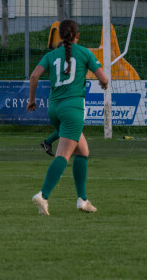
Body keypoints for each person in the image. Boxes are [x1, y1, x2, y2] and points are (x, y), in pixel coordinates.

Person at [27, 19, 109, 215]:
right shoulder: (85, 53)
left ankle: (82, 200)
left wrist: (32, 100)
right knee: (63, 154)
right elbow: (104, 78)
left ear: (60, 36)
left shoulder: (51, 55)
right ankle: (43, 195)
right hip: (73, 109)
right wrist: (104, 84)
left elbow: (33, 76)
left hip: (54, 109)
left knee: (82, 151)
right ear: (77, 35)